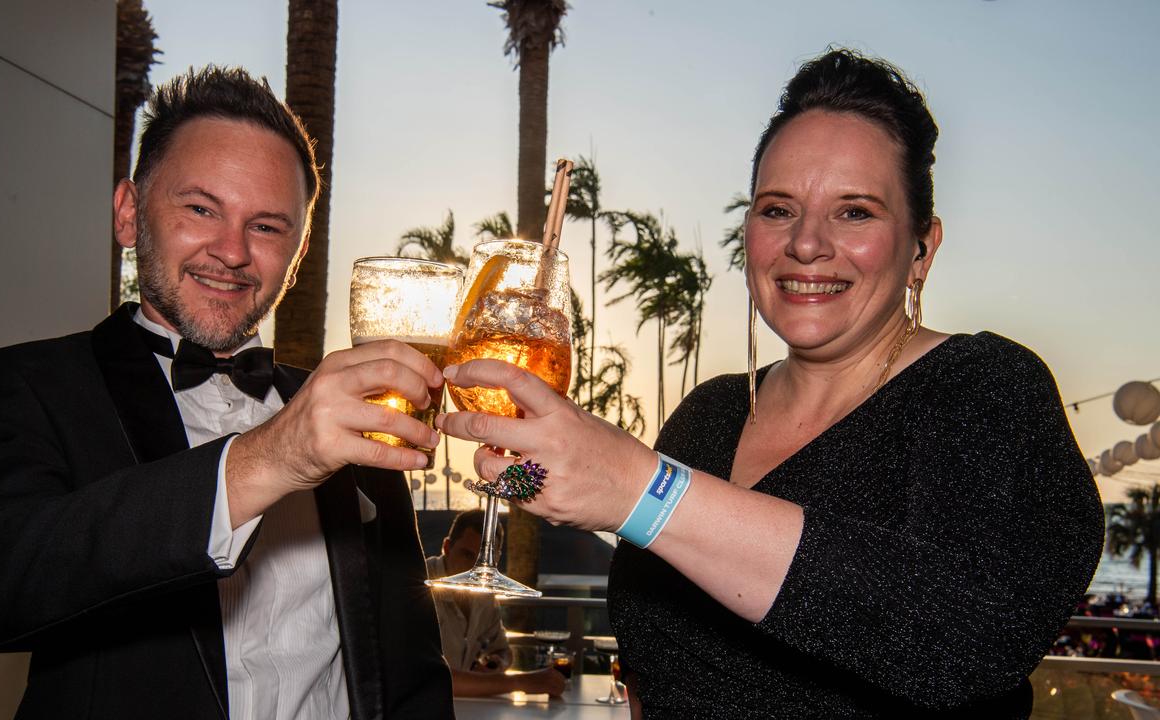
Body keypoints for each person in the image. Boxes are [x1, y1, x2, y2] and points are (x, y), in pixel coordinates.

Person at [435, 48, 1103, 717]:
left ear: (922, 248)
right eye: (778, 209)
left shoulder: (986, 388)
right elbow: (651, 641)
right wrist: (516, 478)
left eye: (856, 212)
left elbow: (970, 636)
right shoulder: (709, 413)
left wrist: (643, 490)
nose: (806, 243)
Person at [0, 66, 453, 720]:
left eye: (267, 226)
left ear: (296, 254)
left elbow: (408, 671)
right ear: (129, 213)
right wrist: (268, 458)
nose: (232, 251)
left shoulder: (353, 414)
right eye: (201, 208)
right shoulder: (26, 386)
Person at [426, 510, 566, 698]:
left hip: (466, 708)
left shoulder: (484, 593)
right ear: (447, 547)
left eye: (485, 560)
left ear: (496, 559)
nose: (474, 569)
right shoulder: (420, 586)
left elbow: (503, 649)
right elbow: (430, 679)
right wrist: (521, 682)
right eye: (467, 555)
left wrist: (497, 662)